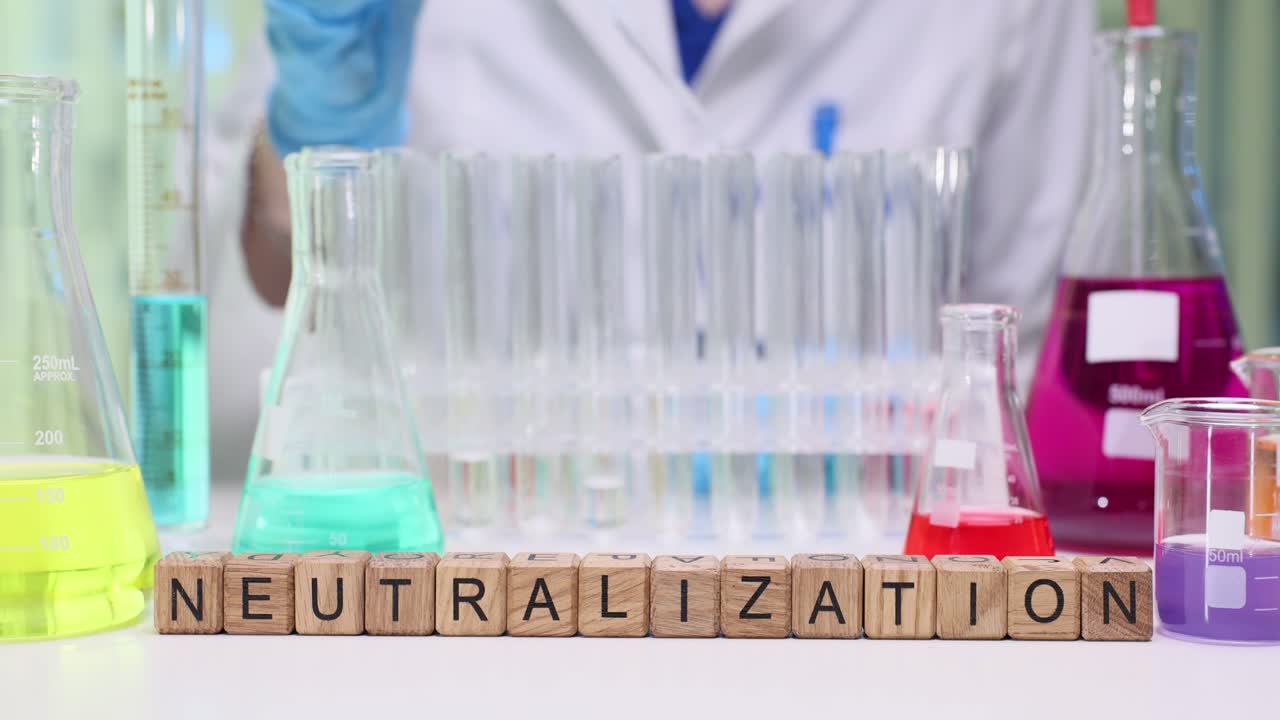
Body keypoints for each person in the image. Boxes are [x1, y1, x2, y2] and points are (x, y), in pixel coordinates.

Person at [205, 0, 1092, 470]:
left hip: (859, 593)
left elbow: (1012, 352)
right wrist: (322, 125)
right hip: (481, 588)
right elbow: (276, 279)